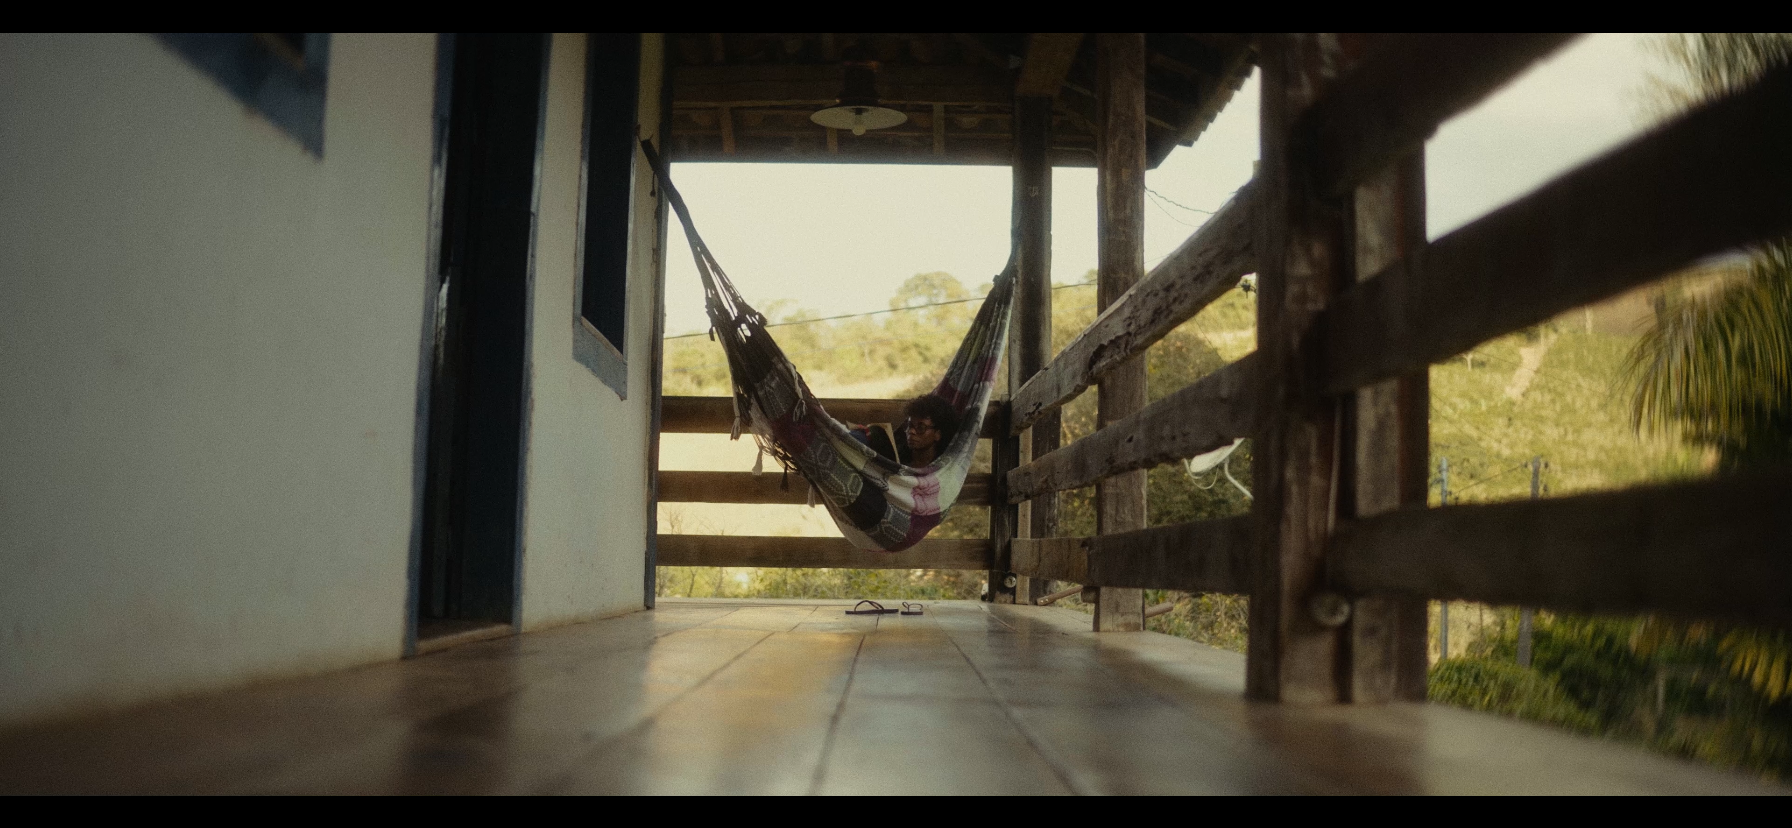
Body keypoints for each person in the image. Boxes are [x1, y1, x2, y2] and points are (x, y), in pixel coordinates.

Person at [848, 394, 959, 467]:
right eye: (910, 425)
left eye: (921, 427)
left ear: (938, 434)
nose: (911, 431)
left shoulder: (941, 470)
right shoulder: (896, 459)